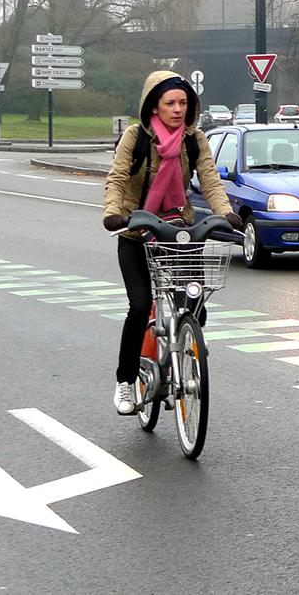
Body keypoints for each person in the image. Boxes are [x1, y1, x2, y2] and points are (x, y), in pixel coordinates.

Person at [103, 70, 242, 415]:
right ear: (155, 105)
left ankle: (185, 341)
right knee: (139, 306)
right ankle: (125, 381)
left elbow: (210, 181)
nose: (178, 109)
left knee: (194, 299)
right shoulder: (135, 137)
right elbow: (117, 179)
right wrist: (113, 213)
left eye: (183, 102)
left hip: (179, 230)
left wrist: (226, 214)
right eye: (171, 103)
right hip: (136, 230)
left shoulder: (194, 139)